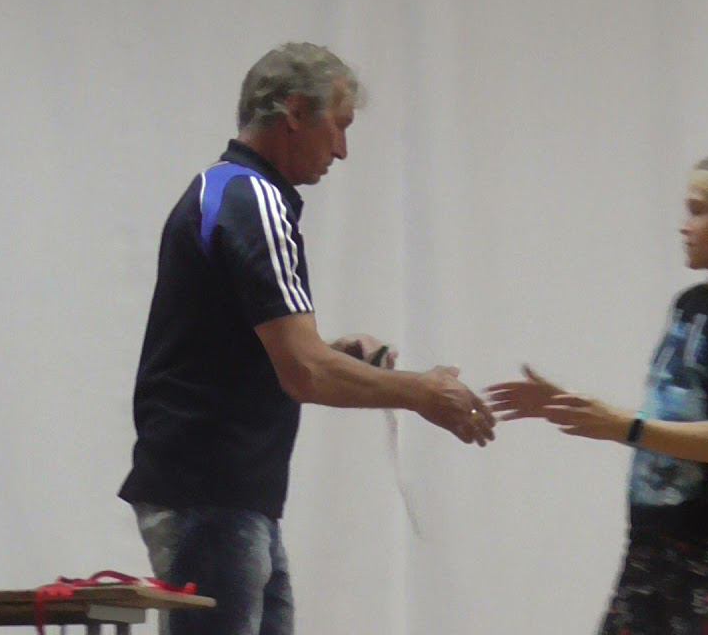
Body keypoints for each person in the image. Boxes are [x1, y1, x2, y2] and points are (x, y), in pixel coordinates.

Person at [118, 42, 495, 635]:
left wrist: (337, 357)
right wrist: (419, 392)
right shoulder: (253, 200)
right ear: (295, 112)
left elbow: (249, 353)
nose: (342, 149)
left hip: (222, 493)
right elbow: (304, 371)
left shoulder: (229, 193)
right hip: (214, 495)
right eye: (339, 126)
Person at [488, 148, 708, 634]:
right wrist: (577, 408)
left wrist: (621, 426)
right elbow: (674, 412)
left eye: (699, 210)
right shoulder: (690, 303)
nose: (684, 226)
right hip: (656, 537)